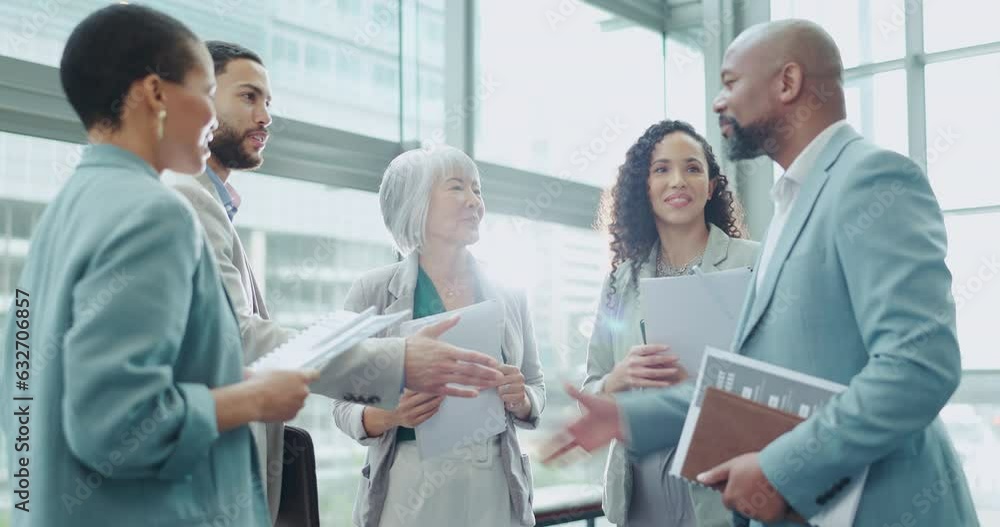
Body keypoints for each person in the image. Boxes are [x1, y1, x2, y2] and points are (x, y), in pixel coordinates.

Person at [549, 19, 979, 527]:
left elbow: (918, 367)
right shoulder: (791, 207)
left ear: (787, 82)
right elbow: (754, 383)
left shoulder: (870, 179)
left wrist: (779, 470)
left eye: (730, 82)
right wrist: (627, 416)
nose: (718, 102)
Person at [0, 5, 316, 526]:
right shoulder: (155, 213)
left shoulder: (66, 209)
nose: (213, 116)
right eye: (203, 90)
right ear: (155, 93)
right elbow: (114, 425)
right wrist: (252, 399)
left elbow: (25, 386)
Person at [168, 41, 505, 523]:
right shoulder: (189, 198)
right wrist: (401, 364)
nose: (265, 117)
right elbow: (238, 341)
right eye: (248, 97)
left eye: (269, 103)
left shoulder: (212, 204)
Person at [332, 146, 545, 527]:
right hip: (411, 484)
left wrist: (524, 399)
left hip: (492, 478)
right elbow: (341, 405)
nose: (474, 201)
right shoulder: (373, 291)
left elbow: (536, 384)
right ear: (417, 202)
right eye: (457, 188)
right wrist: (387, 416)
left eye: (478, 190)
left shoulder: (509, 293)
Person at [583, 120, 758, 527]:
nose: (677, 180)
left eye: (692, 168)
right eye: (661, 169)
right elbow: (591, 387)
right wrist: (616, 380)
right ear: (643, 187)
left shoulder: (753, 263)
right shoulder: (620, 282)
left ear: (711, 186)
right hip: (640, 488)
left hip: (722, 482)